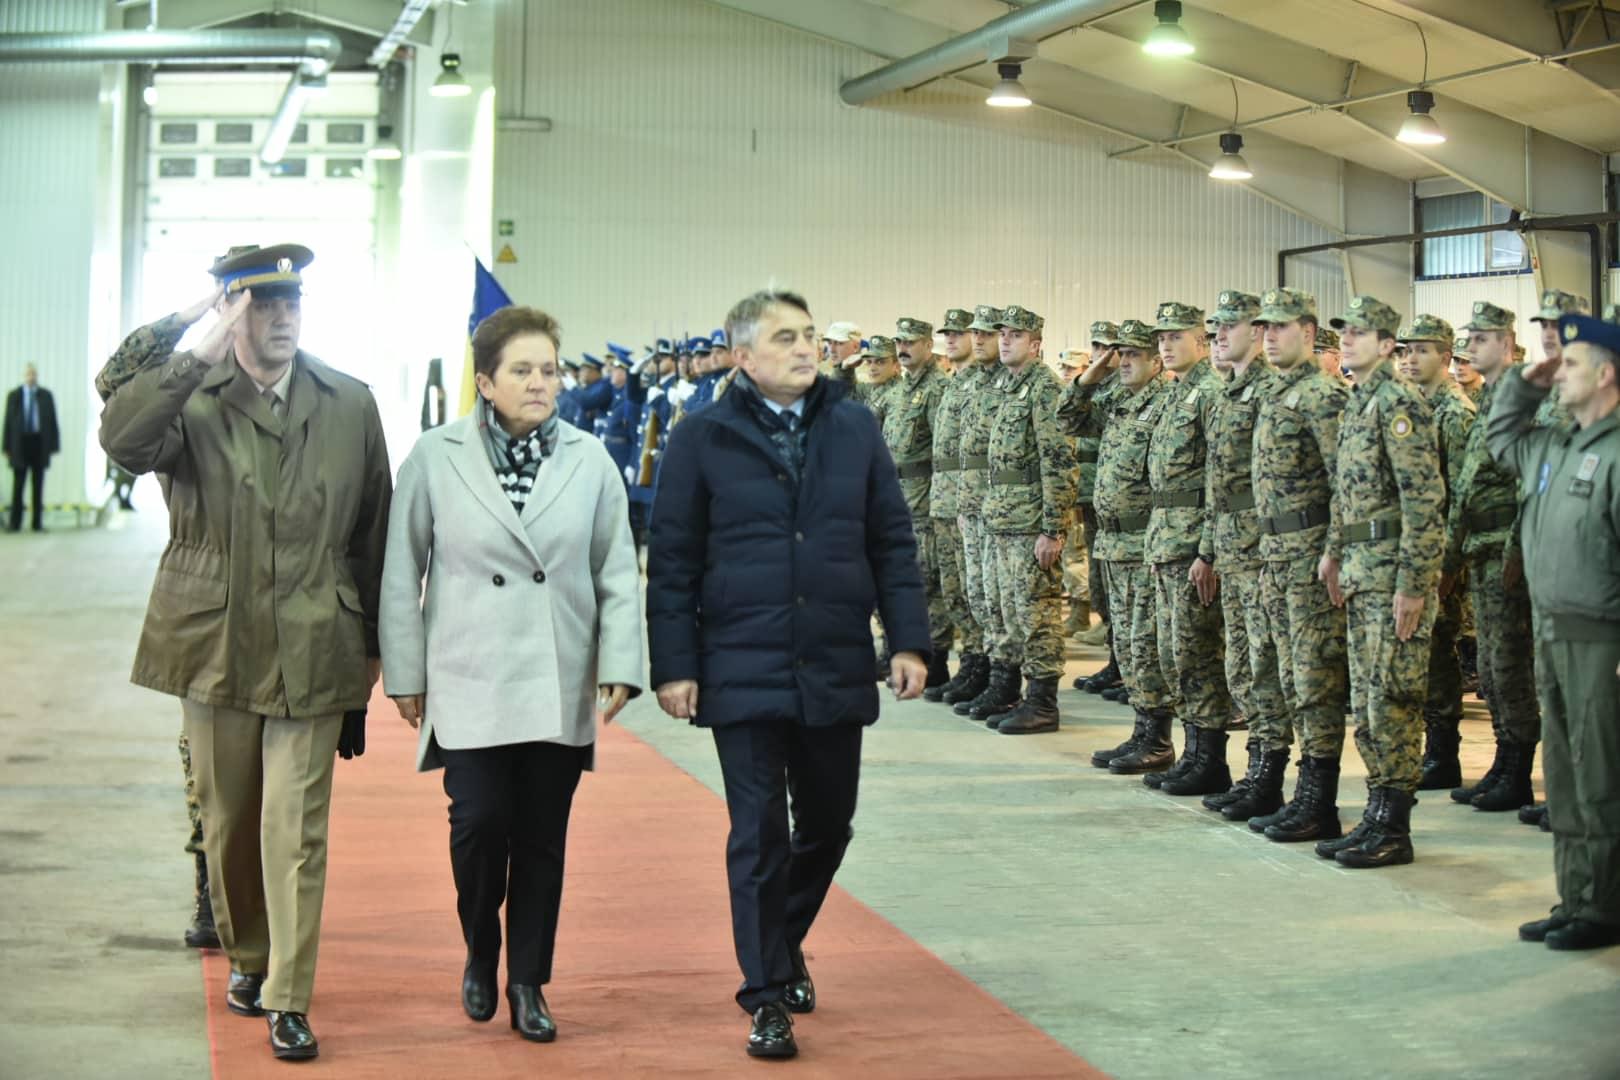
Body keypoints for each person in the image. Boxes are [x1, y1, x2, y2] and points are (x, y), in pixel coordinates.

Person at [98, 244, 391, 1061]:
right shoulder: (187, 400)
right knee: (229, 821)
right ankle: (251, 958)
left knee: (294, 828)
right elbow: (121, 439)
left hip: (314, 637)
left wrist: (372, 649)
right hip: (213, 637)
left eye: (292, 301)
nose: (284, 317)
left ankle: (287, 995)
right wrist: (193, 342)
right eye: (262, 304)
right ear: (232, 312)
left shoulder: (348, 402)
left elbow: (374, 530)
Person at [647, 289, 930, 1060]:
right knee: (760, 832)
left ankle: (785, 937)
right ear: (743, 357)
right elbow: (672, 563)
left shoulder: (853, 424)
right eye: (784, 339)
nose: (805, 349)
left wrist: (908, 641)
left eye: (808, 336)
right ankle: (766, 993)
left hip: (834, 658)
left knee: (829, 825)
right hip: (739, 664)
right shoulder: (702, 436)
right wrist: (674, 666)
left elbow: (891, 542)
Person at [380, 304, 643, 1041]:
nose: (541, 383)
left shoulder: (589, 460)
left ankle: (527, 979)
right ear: (486, 382)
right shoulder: (436, 456)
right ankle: (479, 945)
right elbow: (402, 570)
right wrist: (404, 672)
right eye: (522, 371)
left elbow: (616, 568)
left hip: (556, 674)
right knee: (478, 824)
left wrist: (622, 661)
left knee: (541, 837)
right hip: (466, 672)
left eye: (550, 370)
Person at [94, 290, 230, 950]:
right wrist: (193, 317)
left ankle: (260, 893)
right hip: (204, 614)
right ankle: (210, 892)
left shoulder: (291, 383)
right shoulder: (177, 396)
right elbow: (112, 383)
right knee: (202, 765)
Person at [1491, 311, 1620, 951]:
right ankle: (1577, 897)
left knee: (1602, 776)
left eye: (1570, 364)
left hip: (1602, 640)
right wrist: (1527, 382)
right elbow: (1500, 436)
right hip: (1551, 631)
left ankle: (1606, 906)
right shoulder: (1556, 444)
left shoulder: (1618, 451)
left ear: (1607, 374)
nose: (1558, 370)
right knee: (1565, 778)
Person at [1315, 296, 1444, 868]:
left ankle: (1394, 825)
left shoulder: (1399, 404)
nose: (1347, 340)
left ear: (1387, 346)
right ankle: (1373, 814)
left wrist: (1414, 583)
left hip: (1394, 574)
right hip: (1362, 571)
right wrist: (1333, 552)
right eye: (1344, 332)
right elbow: (1347, 495)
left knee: (1393, 697)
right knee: (1367, 700)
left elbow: (1425, 500)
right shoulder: (1358, 403)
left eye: (1361, 333)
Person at [1248, 288, 1350, 844]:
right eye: (1264, 327)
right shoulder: (1275, 393)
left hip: (1311, 559)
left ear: (1308, 334)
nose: (1269, 335)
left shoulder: (1322, 396)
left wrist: (1334, 552)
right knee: (1287, 678)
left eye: (1280, 327)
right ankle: (1299, 793)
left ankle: (1320, 800)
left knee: (1315, 680)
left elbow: (1347, 482)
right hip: (1275, 558)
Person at [1444, 302, 1543, 814]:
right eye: (1469, 339)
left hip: (1506, 553)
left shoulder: (1523, 400)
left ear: (1506, 343)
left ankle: (1519, 770)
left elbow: (1532, 480)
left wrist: (1516, 550)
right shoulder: (1488, 402)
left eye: (1481, 339)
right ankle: (1503, 762)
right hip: (1480, 552)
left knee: (1509, 666)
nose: (1471, 348)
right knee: (1489, 665)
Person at [1064, 319, 1176, 767]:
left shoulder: (1166, 402)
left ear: (1155, 360)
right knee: (1128, 644)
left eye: (1133, 355)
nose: (1125, 363)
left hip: (1144, 540)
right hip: (1112, 541)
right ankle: (1142, 731)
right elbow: (1067, 417)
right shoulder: (1116, 401)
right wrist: (1091, 376)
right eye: (1120, 355)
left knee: (1147, 645)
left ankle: (1158, 739)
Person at [1199, 291, 1291, 821]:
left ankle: (1270, 774)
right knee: (1241, 662)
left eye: (1229, 327)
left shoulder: (1268, 391)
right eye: (1216, 329)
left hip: (1263, 550)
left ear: (1256, 332)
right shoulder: (1230, 392)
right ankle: (1256, 770)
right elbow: (1220, 482)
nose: (1220, 337)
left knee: (1265, 664)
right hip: (1233, 548)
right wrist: (1209, 548)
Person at [1145, 301, 1234, 793]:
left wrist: (1209, 551)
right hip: (1165, 539)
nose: (1165, 344)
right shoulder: (1174, 393)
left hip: (1192, 545)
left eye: (1176, 336)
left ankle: (1212, 758)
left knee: (1197, 653)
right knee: (1174, 653)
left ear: (1202, 341)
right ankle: (1193, 749)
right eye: (1161, 337)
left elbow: (1219, 480)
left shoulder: (1210, 393)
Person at [981, 305, 1076, 734]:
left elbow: (1059, 462)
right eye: (1003, 333)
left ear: (1036, 344)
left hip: (1029, 523)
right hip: (1002, 519)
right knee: (1010, 611)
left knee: (1037, 612)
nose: (1005, 340)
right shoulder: (1007, 386)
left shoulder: (1044, 389)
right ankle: (1017, 692)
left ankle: (1043, 703)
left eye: (1015, 335)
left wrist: (1052, 528)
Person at [1396, 316, 1475, 790]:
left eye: (1421, 351)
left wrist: (1446, 565)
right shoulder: (1417, 406)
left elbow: (1461, 497)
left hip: (1441, 558)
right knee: (1422, 655)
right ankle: (1433, 746)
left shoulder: (1454, 412)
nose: (1409, 359)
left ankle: (1444, 755)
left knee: (1439, 654)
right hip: (1416, 553)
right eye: (1405, 351)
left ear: (1445, 358)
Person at [923, 308, 993, 705]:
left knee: (975, 592)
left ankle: (981, 666)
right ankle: (971, 662)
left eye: (960, 333)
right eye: (947, 333)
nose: (951, 339)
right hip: (946, 499)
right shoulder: (955, 383)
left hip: (971, 501)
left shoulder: (983, 383)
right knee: (955, 590)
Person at [887, 316, 952, 687]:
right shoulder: (900, 387)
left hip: (924, 499)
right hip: (899, 500)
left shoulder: (936, 388)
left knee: (928, 582)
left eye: (911, 341)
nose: (903, 347)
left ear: (929, 346)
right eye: (900, 341)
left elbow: (942, 451)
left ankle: (936, 659)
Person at [5, 364, 60, 532]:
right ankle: (15, 523)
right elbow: (7, 423)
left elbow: (52, 422)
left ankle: (37, 523)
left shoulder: (46, 396)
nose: (31, 377)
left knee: (38, 486)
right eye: (29, 374)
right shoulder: (14, 396)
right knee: (18, 486)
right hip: (20, 445)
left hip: (39, 444)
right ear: (24, 375)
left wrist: (54, 445)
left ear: (37, 376)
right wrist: (6, 447)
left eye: (34, 374)